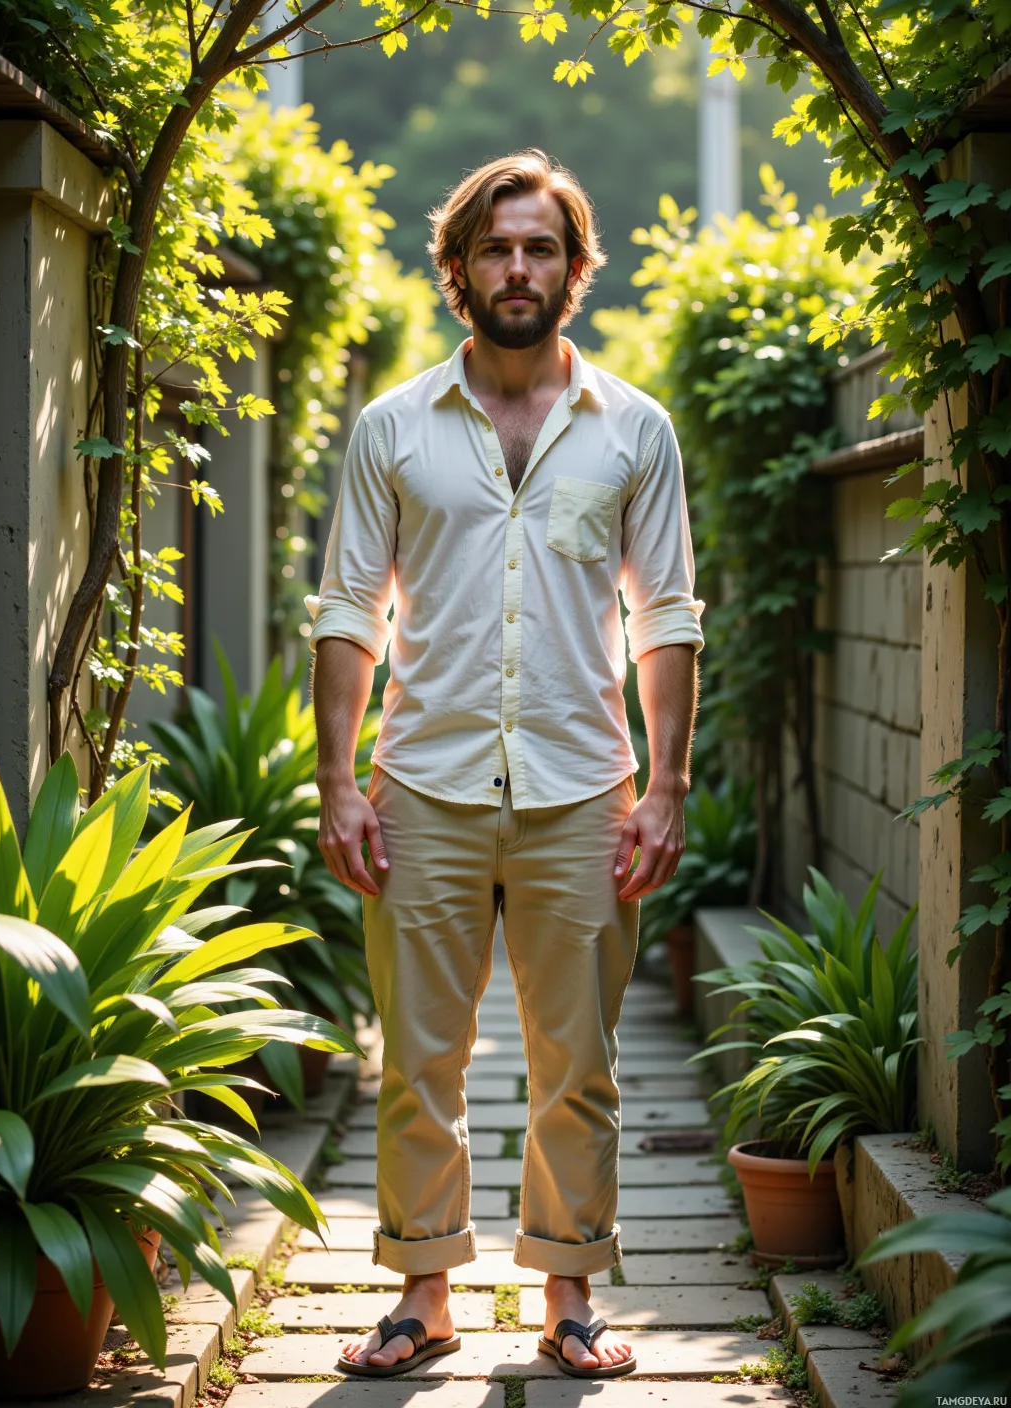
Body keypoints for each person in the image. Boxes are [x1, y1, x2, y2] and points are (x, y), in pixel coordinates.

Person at [306, 149, 704, 1381]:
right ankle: (422, 1291)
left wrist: (666, 784)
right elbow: (347, 610)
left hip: (582, 788)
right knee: (419, 1054)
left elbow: (669, 615)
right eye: (495, 248)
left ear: (573, 269)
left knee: (575, 1059)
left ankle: (568, 1293)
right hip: (421, 784)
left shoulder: (635, 429)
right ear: (459, 269)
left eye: (538, 248)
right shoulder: (391, 429)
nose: (516, 268)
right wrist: (334, 780)